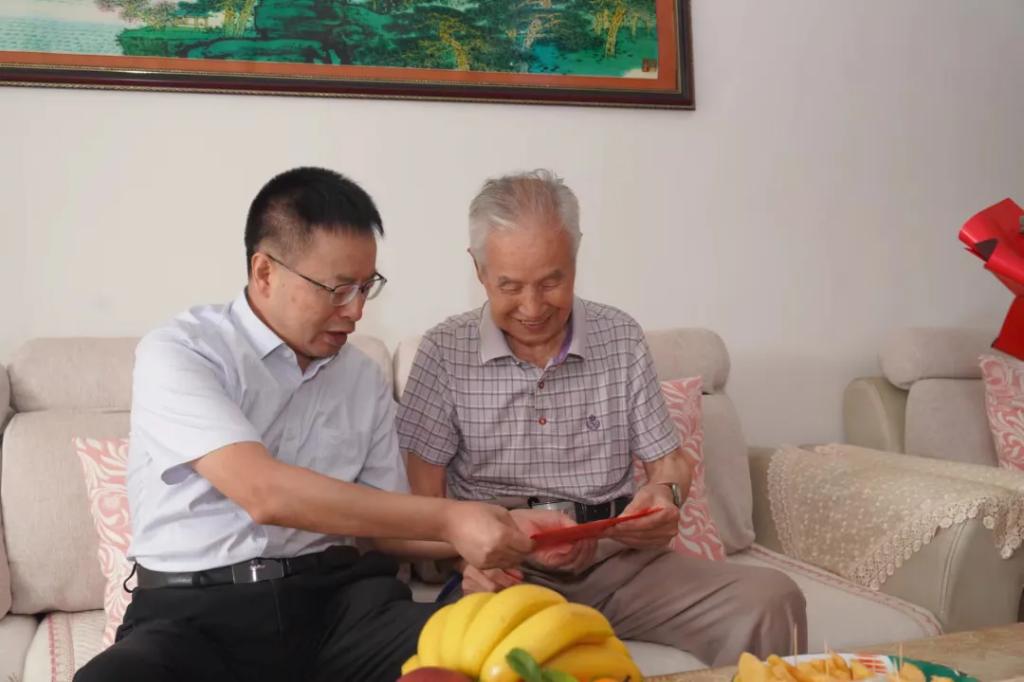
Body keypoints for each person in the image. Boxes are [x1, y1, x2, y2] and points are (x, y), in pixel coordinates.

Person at [74, 167, 549, 682]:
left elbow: (389, 528)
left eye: (366, 288)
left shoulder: (361, 378)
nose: (356, 311)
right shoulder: (183, 352)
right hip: (195, 619)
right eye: (338, 289)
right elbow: (264, 492)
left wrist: (507, 528)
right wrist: (450, 519)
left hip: (338, 610)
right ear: (264, 272)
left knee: (515, 648)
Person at [396, 169, 808, 667]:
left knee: (772, 599)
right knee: (495, 653)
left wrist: (664, 496)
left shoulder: (620, 336)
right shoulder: (443, 352)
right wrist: (471, 555)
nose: (532, 307)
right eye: (510, 286)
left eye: (552, 282)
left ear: (576, 257)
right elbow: (420, 511)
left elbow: (668, 463)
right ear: (479, 269)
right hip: (506, 572)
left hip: (619, 563)